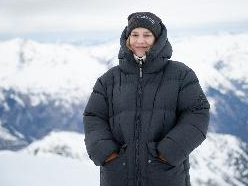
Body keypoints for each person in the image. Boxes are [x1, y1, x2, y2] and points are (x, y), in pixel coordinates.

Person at [83, 12, 210, 186]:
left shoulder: (181, 75)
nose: (140, 41)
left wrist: (169, 151)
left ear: (157, 39)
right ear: (127, 38)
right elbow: (93, 117)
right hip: (118, 175)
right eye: (134, 34)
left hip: (165, 175)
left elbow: (197, 113)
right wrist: (107, 154)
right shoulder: (108, 80)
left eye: (147, 35)